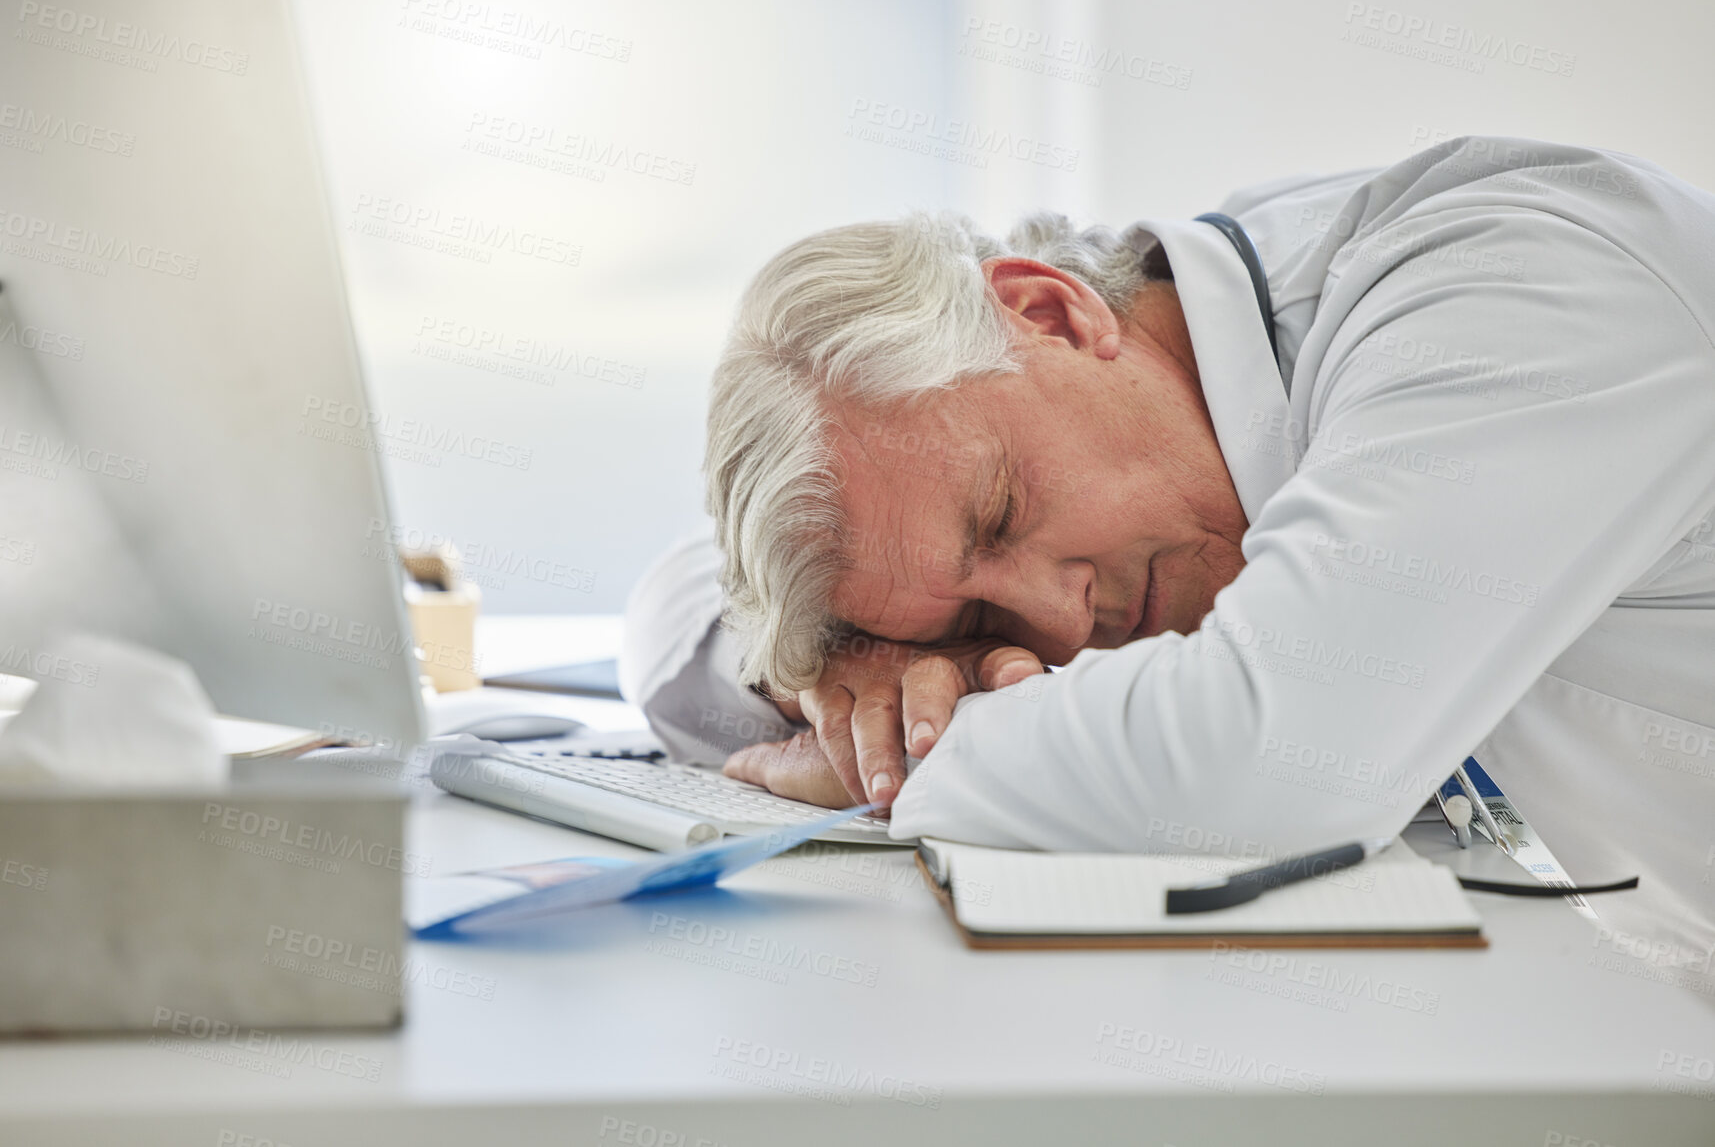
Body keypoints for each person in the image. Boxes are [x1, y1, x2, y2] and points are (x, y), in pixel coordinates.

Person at [622, 135, 1715, 973]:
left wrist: (895, 762)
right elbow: (676, 601)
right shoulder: (1165, 349)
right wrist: (840, 669)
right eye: (971, 627)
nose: (1050, 625)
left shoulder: (1505, 286)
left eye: (1001, 513)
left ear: (1046, 312)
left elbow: (1273, 759)